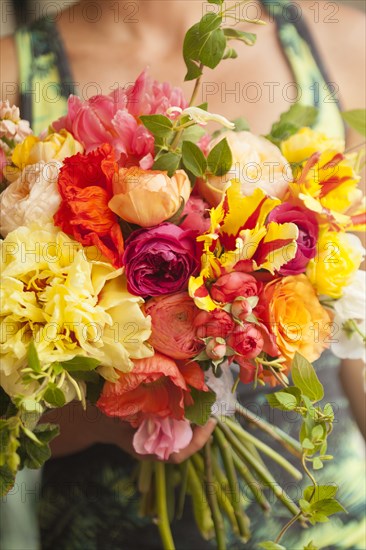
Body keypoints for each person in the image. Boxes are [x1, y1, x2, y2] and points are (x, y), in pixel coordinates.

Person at [0, 1, 365, 548]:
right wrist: (111, 411)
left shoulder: (341, 44)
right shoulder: (13, 75)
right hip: (103, 522)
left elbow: (357, 327)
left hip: (323, 509)